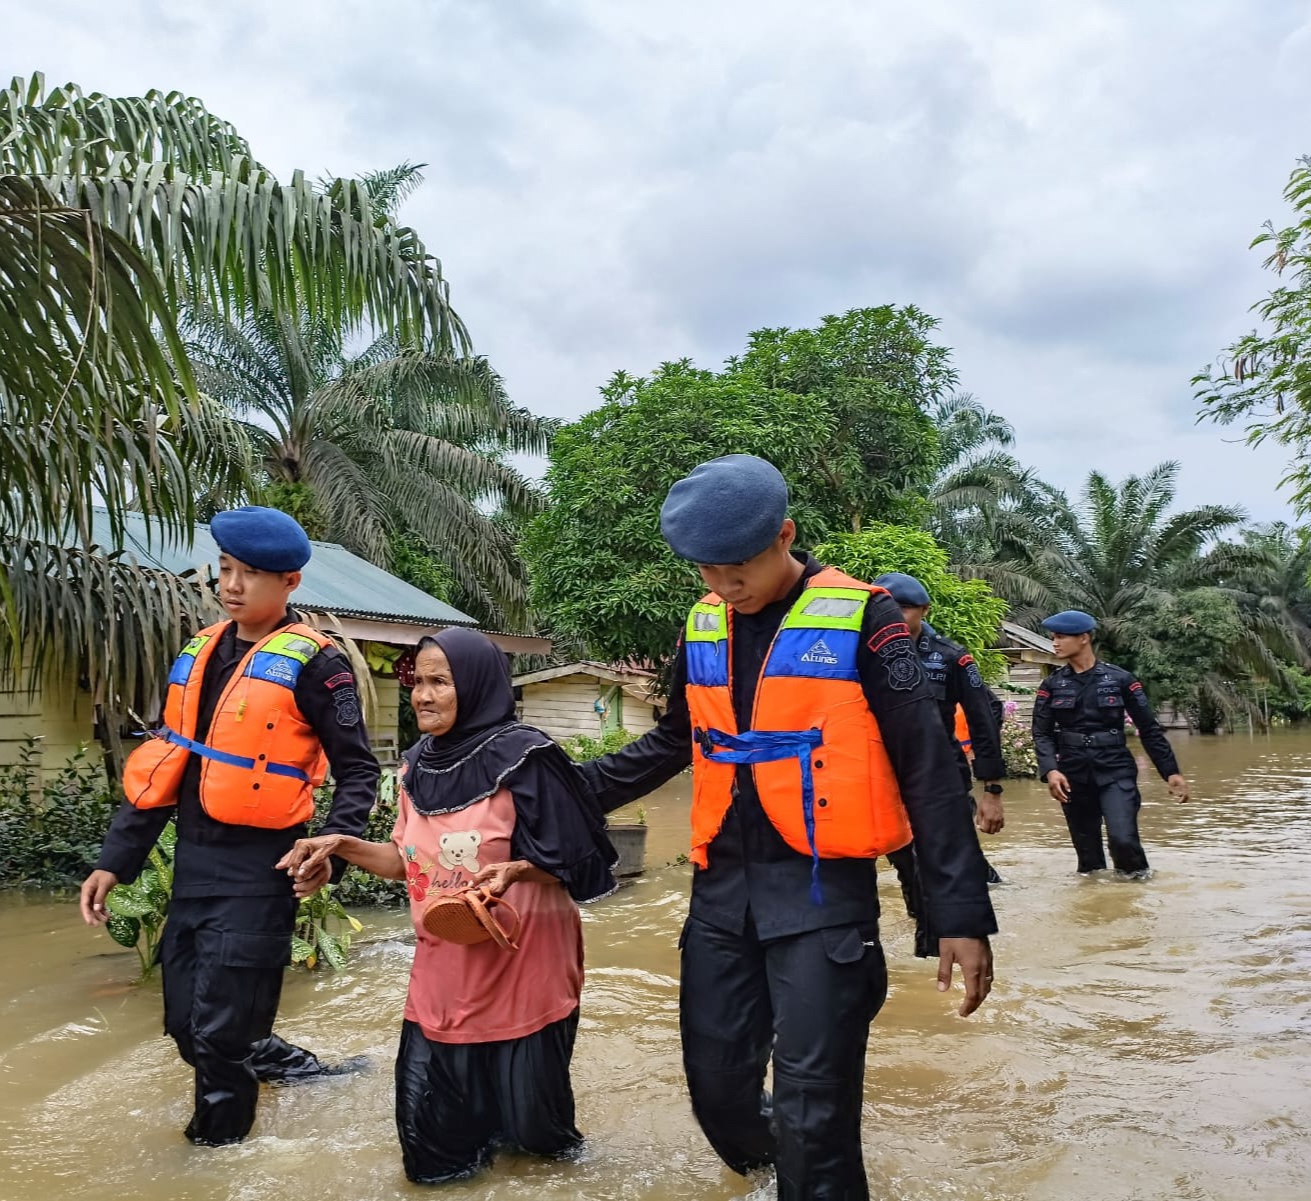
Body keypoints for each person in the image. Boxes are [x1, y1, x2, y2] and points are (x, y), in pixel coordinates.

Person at [577, 455, 996, 1201]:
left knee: (813, 1106)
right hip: (720, 895)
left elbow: (927, 770)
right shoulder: (704, 622)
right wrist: (562, 787)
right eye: (707, 570)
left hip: (820, 897)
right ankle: (792, 1177)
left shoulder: (866, 621)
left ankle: (817, 1176)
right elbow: (676, 739)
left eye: (736, 567)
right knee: (718, 1092)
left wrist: (955, 913)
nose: (722, 586)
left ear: (785, 536)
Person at [78, 505, 380, 1146]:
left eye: (251, 573)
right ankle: (299, 1071)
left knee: (217, 1039)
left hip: (260, 871)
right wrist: (115, 860)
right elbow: (167, 769)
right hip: (194, 868)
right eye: (225, 569)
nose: (233, 585)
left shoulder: (318, 666)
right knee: (188, 1028)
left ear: (290, 583)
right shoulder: (202, 654)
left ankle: (216, 1158)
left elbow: (359, 771)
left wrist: (334, 846)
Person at [278, 627, 617, 1185]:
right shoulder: (415, 765)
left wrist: (518, 869)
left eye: (441, 681)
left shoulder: (526, 757)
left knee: (536, 1144)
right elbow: (403, 860)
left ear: (478, 686)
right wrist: (339, 845)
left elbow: (576, 859)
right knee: (432, 1154)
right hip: (444, 964)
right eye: (418, 681)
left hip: (522, 965)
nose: (422, 695)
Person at [874, 572, 1007, 903]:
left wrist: (991, 790)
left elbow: (983, 716)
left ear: (925, 611)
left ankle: (961, 915)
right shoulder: (863, 655)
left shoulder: (950, 657)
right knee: (908, 860)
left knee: (946, 860)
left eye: (905, 608)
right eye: (888, 608)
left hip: (941, 773)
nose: (896, 616)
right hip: (882, 774)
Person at [1032, 609, 1190, 876]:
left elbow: (1149, 729)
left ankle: (1137, 898)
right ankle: (1098, 909)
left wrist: (1171, 772)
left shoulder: (1120, 680)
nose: (1055, 643)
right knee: (1089, 858)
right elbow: (1041, 733)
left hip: (1115, 770)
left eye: (1061, 637)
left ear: (1083, 638)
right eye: (1053, 637)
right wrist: (1051, 770)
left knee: (1123, 840)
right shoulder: (1052, 685)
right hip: (1073, 774)